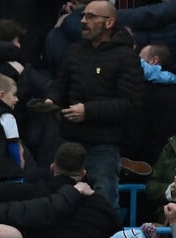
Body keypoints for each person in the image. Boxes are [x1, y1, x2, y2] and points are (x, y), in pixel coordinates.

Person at [47, 0, 144, 211]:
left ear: (109, 22)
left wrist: (88, 112)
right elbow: (60, 84)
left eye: (91, 17)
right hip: (70, 142)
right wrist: (51, 100)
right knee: (62, 203)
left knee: (103, 204)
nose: (83, 21)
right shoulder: (74, 51)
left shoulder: (125, 56)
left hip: (103, 146)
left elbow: (132, 104)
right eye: (83, 16)